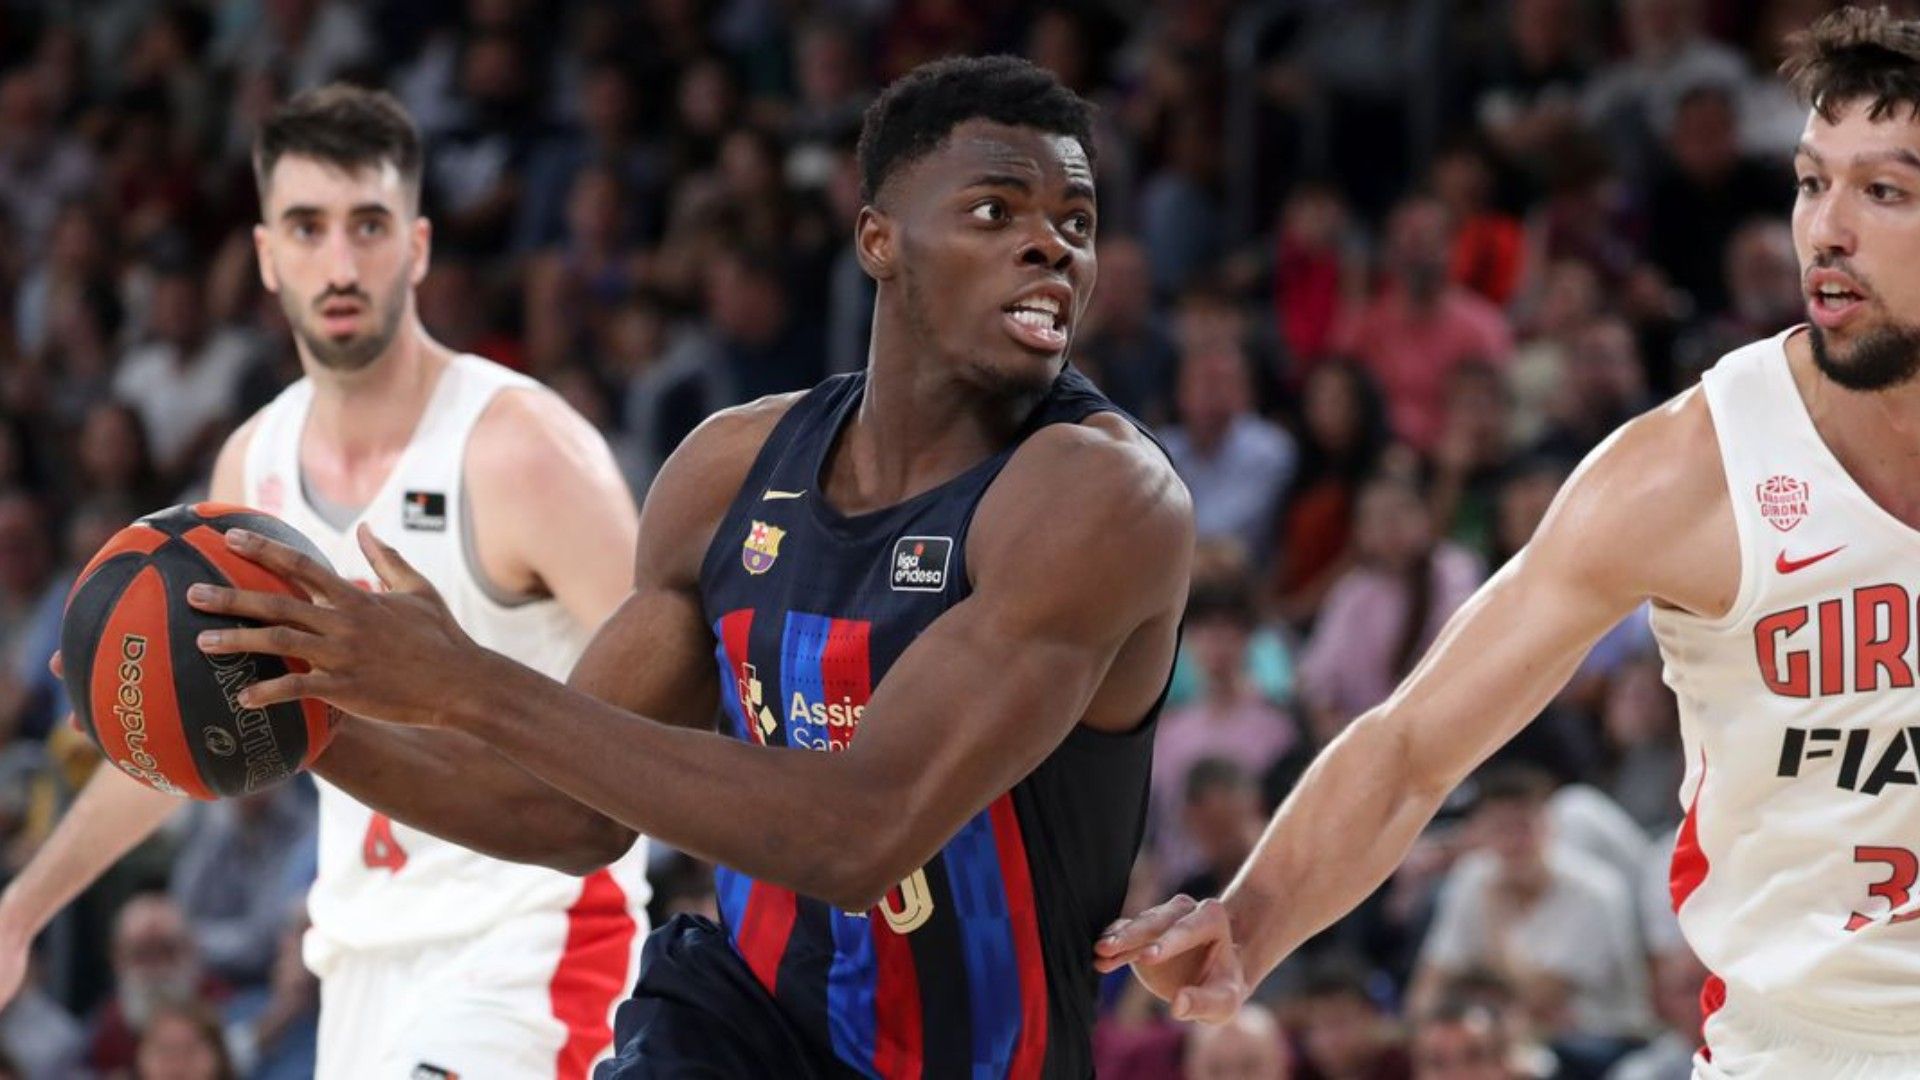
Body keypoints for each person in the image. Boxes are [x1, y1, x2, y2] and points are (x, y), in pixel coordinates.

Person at [185, 56, 1192, 1076]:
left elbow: (863, 834)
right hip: (741, 1032)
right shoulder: (731, 471)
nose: (1051, 246)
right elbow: (561, 810)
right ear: (878, 240)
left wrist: (466, 682)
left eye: (1076, 222)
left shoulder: (1102, 497)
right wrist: (278, 710)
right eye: (995, 211)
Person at [1098, 9, 1920, 1077]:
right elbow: (1414, 746)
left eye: (1883, 190)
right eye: (1812, 182)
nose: (1827, 229)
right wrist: (1251, 920)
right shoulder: (1693, 468)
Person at [0, 86, 652, 1079]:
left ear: (419, 247)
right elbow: (185, 743)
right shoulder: (252, 463)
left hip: (535, 944)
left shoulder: (527, 450)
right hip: (355, 959)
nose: (341, 263)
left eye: (369, 226)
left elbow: (677, 721)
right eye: (308, 227)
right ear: (266, 255)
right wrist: (21, 911)